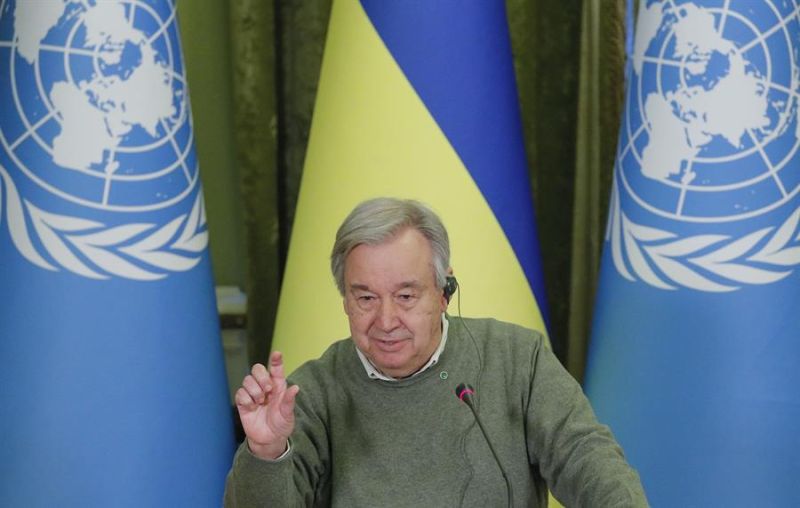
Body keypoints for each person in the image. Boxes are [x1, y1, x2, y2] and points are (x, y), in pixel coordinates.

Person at [224, 197, 647, 507]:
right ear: (345, 301)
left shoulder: (518, 360)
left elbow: (587, 459)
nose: (386, 320)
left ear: (444, 293)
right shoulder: (312, 393)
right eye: (366, 298)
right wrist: (266, 453)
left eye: (406, 296)